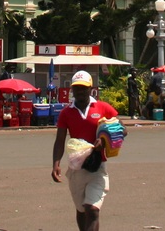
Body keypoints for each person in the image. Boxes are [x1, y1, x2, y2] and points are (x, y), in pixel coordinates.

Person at [51, 70, 124, 231]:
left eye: (84, 88)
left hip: (98, 166)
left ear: (91, 88)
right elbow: (60, 140)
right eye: (77, 88)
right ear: (72, 89)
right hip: (77, 167)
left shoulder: (103, 108)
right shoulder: (66, 113)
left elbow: (122, 130)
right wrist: (56, 164)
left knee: (92, 209)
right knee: (81, 210)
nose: (80, 91)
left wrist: (104, 139)